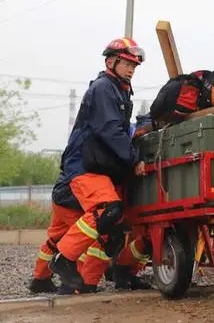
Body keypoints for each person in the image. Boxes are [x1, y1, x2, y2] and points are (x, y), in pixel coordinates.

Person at [34, 38, 149, 292]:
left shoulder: (119, 90)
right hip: (84, 165)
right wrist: (134, 159)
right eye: (127, 63)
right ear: (111, 61)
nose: (131, 69)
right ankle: (64, 261)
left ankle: (78, 279)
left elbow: (118, 129)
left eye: (134, 65)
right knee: (107, 210)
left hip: (95, 166)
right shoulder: (104, 88)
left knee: (111, 226)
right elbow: (109, 129)